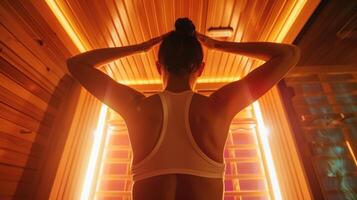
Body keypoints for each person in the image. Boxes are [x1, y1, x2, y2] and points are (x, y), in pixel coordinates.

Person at [67, 18, 300, 200]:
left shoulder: (137, 108)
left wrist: (140, 47)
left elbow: (76, 64)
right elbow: (289, 54)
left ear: (159, 66)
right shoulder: (218, 107)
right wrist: (217, 44)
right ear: (201, 69)